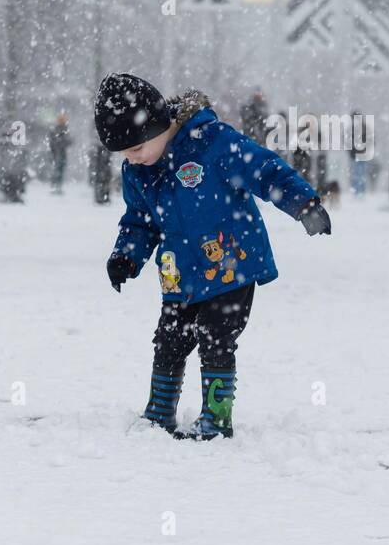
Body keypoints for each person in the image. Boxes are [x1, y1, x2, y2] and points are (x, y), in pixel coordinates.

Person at [95, 73, 331, 440]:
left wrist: (304, 203)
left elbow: (265, 169)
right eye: (124, 154)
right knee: (169, 339)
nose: (132, 160)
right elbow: (139, 221)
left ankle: (216, 419)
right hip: (179, 275)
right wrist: (126, 256)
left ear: (157, 126)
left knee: (216, 338)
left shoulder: (213, 144)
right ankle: (159, 413)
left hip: (230, 267)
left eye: (136, 149)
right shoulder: (138, 172)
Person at [48, 113, 73, 194]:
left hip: (60, 153)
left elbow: (67, 141)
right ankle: (56, 186)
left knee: (59, 170)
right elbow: (54, 141)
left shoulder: (62, 129)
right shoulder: (58, 130)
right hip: (57, 153)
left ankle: (57, 186)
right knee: (57, 170)